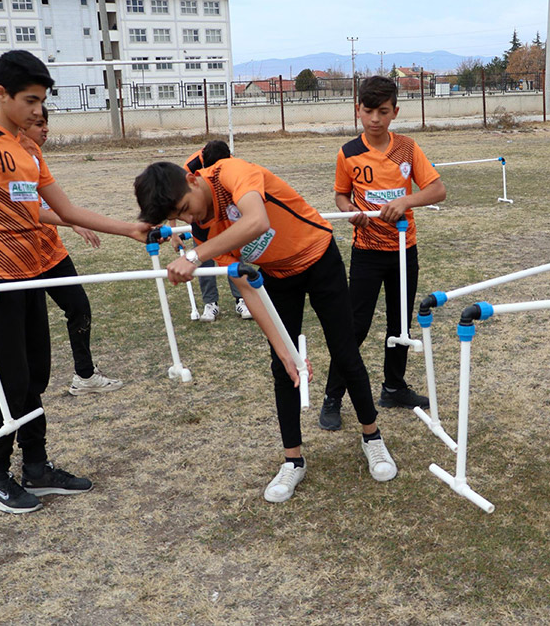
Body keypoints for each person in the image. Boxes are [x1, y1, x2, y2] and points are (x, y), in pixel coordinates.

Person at [0, 50, 150, 515]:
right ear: (1, 93)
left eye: (42, 101)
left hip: (33, 271)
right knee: (9, 378)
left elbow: (65, 210)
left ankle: (36, 467)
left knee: (35, 374)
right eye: (30, 100)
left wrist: (130, 229)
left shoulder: (26, 148)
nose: (37, 110)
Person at [134, 147, 398, 504]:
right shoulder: (203, 230)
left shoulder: (231, 172)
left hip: (319, 257)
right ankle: (293, 461)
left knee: (345, 352)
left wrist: (194, 256)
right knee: (281, 367)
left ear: (192, 180)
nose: (188, 217)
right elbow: (245, 285)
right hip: (278, 276)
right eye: (177, 216)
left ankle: (372, 437)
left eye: (185, 207)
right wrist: (284, 350)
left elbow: (256, 221)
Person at [0, 107, 124, 413]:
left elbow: (52, 204)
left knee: (78, 307)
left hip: (50, 251)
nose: (45, 129)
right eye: (38, 123)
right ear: (20, 124)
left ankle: (84, 375)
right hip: (17, 259)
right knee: (13, 336)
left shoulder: (35, 156)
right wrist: (70, 221)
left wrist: (74, 220)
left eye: (46, 123)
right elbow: (29, 210)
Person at [319, 76, 446, 432]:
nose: (375, 118)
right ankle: (333, 396)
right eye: (369, 111)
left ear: (395, 112)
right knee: (354, 327)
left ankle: (393, 387)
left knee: (399, 322)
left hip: (404, 249)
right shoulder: (348, 153)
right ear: (358, 110)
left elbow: (438, 190)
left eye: (383, 111)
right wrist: (349, 211)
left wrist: (406, 200)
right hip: (366, 252)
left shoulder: (407, 148)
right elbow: (341, 195)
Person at [178, 143, 250, 322]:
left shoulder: (231, 163)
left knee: (234, 256)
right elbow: (177, 197)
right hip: (200, 220)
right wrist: (172, 232)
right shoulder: (191, 166)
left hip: (225, 215)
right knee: (203, 259)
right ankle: (210, 303)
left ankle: (241, 299)